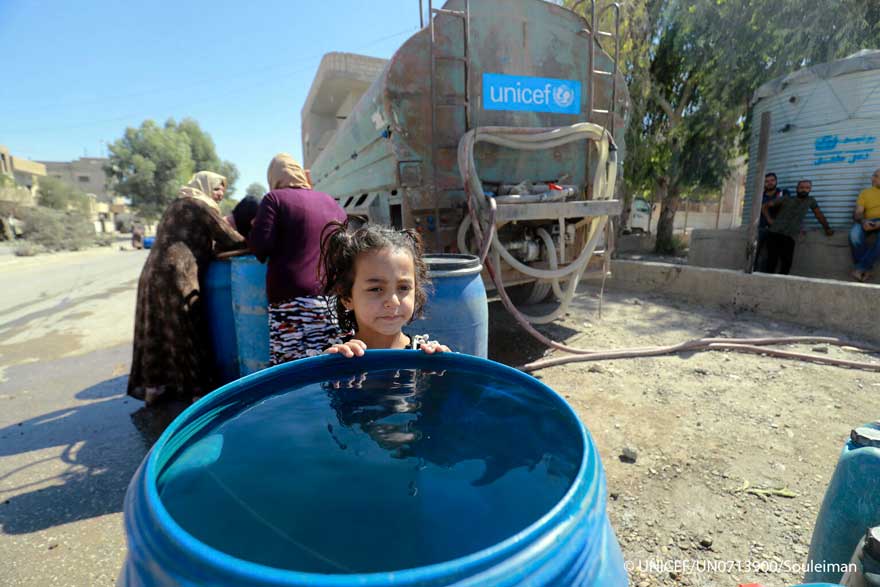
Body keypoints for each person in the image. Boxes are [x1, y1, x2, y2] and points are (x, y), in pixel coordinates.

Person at [128, 171, 247, 405]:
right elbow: (230, 238)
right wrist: (260, 243)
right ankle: (198, 394)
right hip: (178, 275)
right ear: (204, 187)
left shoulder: (177, 203)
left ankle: (155, 388)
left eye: (223, 188)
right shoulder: (200, 205)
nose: (220, 193)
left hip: (152, 275)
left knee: (156, 331)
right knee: (189, 331)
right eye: (216, 188)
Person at [248, 154, 350, 364]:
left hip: (291, 302)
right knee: (329, 365)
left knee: (290, 370)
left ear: (274, 176)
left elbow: (260, 248)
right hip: (331, 300)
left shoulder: (274, 198)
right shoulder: (330, 201)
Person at [320, 220, 449, 357]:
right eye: (376, 289)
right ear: (347, 297)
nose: (393, 302)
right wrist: (330, 371)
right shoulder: (336, 358)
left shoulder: (425, 356)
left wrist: (446, 371)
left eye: (403, 288)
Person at [761, 179, 834, 275]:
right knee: (771, 263)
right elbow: (764, 206)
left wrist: (827, 228)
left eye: (807, 188)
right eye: (801, 187)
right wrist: (769, 219)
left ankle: (780, 285)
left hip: (789, 236)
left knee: (786, 264)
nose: (804, 190)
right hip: (774, 233)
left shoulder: (810, 201)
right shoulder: (786, 198)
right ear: (797, 189)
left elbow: (819, 215)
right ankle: (767, 284)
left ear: (810, 189)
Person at [849, 168, 880, 282]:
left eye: (877, 176)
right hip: (868, 220)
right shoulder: (865, 193)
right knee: (854, 235)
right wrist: (863, 221)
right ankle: (867, 268)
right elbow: (857, 213)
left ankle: (860, 268)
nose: (873, 178)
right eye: (873, 175)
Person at [754, 172, 789, 271]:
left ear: (776, 181)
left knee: (772, 255)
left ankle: (766, 277)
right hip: (761, 228)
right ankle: (751, 273)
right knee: (754, 252)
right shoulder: (760, 195)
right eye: (767, 181)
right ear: (764, 183)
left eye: (772, 180)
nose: (769, 183)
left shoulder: (783, 192)